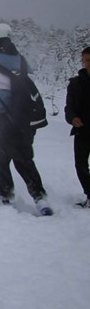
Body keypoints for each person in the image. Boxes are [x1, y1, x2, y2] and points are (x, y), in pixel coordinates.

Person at [0, 23, 52, 215]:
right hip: (24, 118)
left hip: (0, 117)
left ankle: (6, 196)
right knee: (24, 158)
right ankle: (40, 198)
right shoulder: (21, 59)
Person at [65, 46, 90, 208]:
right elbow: (69, 107)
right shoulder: (75, 83)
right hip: (83, 130)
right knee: (80, 165)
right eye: (85, 60)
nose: (86, 63)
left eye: (89, 60)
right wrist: (73, 118)